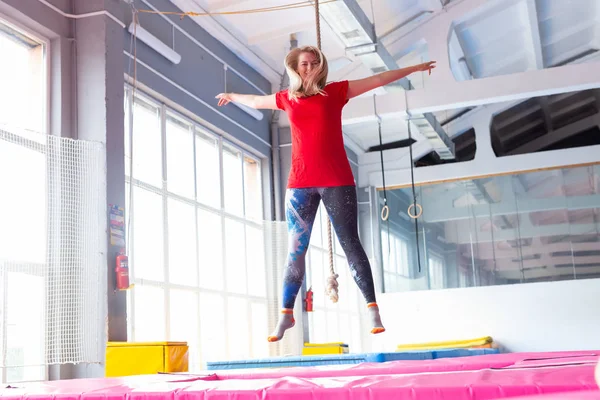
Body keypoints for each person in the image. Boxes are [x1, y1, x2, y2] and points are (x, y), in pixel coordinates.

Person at [217, 46, 435, 342]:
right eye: (303, 64)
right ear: (295, 67)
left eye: (313, 62)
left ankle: (372, 308)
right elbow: (256, 101)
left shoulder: (335, 92)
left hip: (336, 180)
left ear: (320, 66)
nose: (308, 67)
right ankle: (286, 314)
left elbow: (378, 80)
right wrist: (233, 96)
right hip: (300, 183)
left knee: (350, 242)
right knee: (296, 248)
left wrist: (413, 68)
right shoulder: (287, 98)